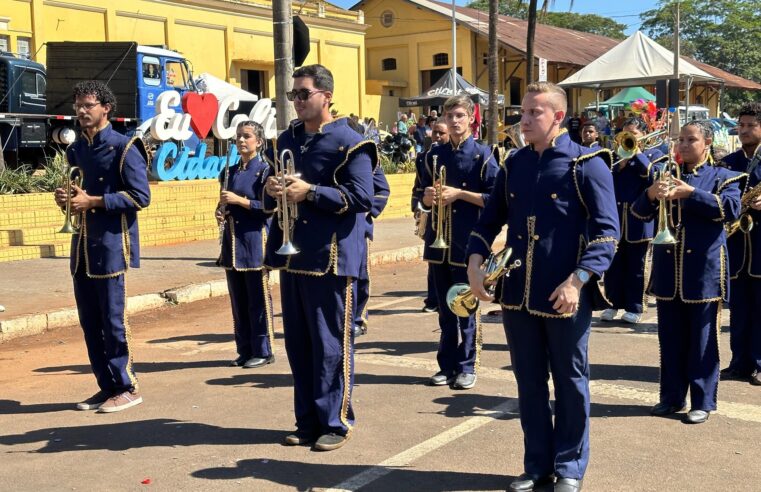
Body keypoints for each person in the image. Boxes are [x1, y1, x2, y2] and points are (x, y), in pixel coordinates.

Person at [467, 82, 619, 492]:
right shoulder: (514, 163)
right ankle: (536, 465)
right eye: (523, 112)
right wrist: (476, 261)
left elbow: (608, 233)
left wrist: (578, 279)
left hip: (565, 294)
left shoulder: (587, 164)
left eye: (535, 112)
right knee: (529, 383)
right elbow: (489, 220)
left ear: (557, 117)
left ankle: (569, 467)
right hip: (516, 295)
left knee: (570, 383)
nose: (525, 120)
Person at [263, 64, 375, 451]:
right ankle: (307, 420)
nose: (296, 101)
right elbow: (266, 197)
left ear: (325, 96)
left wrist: (310, 192)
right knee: (299, 345)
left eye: (303, 93)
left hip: (330, 258)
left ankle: (336, 422)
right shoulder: (284, 140)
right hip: (293, 256)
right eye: (293, 94)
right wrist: (272, 187)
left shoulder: (350, 141)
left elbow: (362, 198)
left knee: (330, 346)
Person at [632, 120, 742, 424]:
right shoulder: (664, 174)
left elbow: (730, 210)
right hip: (669, 271)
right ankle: (670, 397)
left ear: (706, 143)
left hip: (703, 271)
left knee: (703, 341)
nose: (682, 145)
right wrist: (652, 195)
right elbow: (638, 213)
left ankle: (703, 402)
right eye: (679, 139)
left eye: (690, 140)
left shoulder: (725, 176)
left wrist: (691, 193)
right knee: (670, 339)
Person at [54, 80, 151, 413]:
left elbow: (141, 197)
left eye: (88, 105)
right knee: (89, 321)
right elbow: (77, 196)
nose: (81, 111)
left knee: (112, 321)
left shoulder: (125, 146)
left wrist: (93, 201)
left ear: (106, 108)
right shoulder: (76, 149)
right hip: (81, 246)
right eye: (78, 106)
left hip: (111, 246)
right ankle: (106, 385)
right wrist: (66, 201)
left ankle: (127, 386)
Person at [417, 94, 498, 391]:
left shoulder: (484, 154)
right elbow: (419, 196)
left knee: (466, 306)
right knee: (444, 308)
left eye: (460, 116)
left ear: (471, 119)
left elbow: (494, 199)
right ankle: (446, 365)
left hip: (469, 240)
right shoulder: (431, 154)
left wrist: (459, 195)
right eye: (450, 116)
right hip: (438, 241)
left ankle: (467, 366)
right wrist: (425, 199)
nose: (454, 121)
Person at [216, 121, 275, 369]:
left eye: (247, 137)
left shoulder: (265, 172)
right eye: (238, 136)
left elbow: (268, 208)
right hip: (232, 244)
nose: (241, 141)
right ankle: (244, 349)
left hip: (254, 244)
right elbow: (222, 203)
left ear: (258, 142)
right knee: (238, 303)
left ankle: (263, 350)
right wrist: (219, 211)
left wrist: (240, 201)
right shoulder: (228, 171)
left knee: (257, 301)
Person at [600, 117, 667, 324]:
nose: (629, 138)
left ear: (644, 135)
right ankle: (612, 303)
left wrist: (637, 156)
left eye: (634, 134)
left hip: (640, 220)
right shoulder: (614, 156)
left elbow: (654, 179)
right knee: (613, 266)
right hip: (616, 219)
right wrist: (619, 162)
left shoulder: (655, 155)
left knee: (636, 267)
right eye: (626, 134)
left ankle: (635, 306)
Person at [720, 102, 761, 386]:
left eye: (750, 126)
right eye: (741, 125)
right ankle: (739, 362)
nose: (743, 131)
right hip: (736, 245)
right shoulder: (729, 162)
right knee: (740, 308)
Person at [346, 118, 391, 338]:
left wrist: (368, 211)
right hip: (341, 226)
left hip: (360, 227)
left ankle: (358, 318)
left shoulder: (368, 162)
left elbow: (382, 191)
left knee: (360, 276)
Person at [412, 118, 450, 313]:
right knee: (433, 260)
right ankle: (433, 300)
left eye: (441, 133)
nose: (436, 136)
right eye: (435, 132)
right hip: (432, 214)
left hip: (452, 218)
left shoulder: (453, 156)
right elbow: (418, 186)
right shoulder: (423, 158)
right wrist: (418, 210)